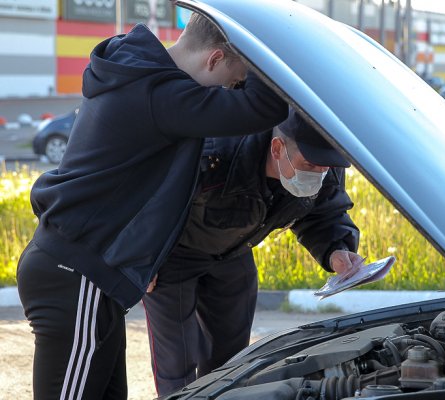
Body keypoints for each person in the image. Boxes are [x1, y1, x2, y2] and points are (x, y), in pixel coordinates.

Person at [16, 12, 288, 400]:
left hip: (87, 277)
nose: (231, 91)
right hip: (76, 275)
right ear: (213, 60)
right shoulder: (160, 93)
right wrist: (269, 43)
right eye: (233, 82)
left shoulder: (144, 78)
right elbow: (265, 109)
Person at [143, 108, 362, 396]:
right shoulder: (215, 153)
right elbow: (149, 192)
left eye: (324, 167)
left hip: (235, 251)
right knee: (178, 363)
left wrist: (337, 250)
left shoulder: (323, 164)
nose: (318, 172)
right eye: (309, 163)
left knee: (232, 362)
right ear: (277, 148)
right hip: (174, 251)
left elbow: (324, 213)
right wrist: (142, 256)